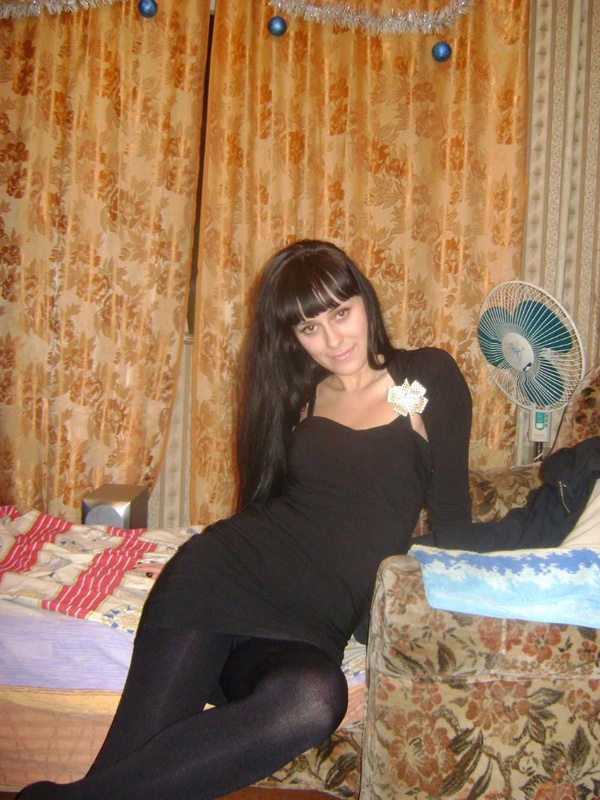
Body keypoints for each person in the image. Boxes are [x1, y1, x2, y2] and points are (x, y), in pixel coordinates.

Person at [18, 239, 473, 800]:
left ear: (365, 300)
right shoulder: (299, 398)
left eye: (340, 313)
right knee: (130, 759)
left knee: (312, 701)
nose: (333, 340)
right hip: (219, 579)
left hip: (312, 621)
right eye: (309, 328)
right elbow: (262, 503)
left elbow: (453, 518)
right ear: (292, 337)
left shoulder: (426, 375)